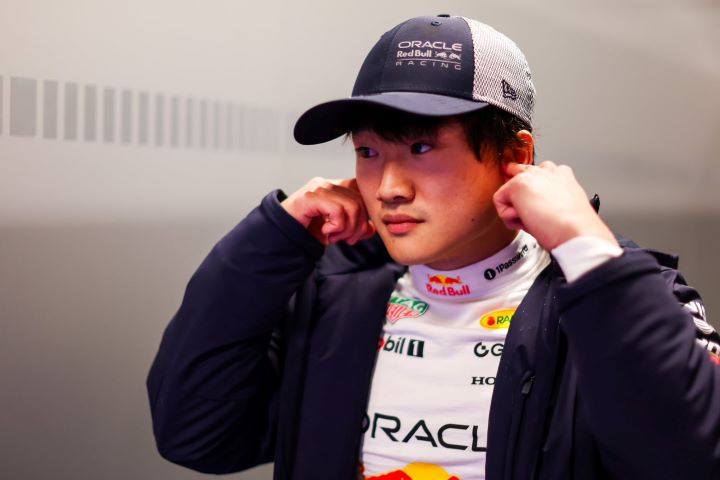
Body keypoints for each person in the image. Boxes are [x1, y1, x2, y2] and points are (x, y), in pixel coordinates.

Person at [146, 14, 720, 479]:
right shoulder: (333, 295)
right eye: (368, 152)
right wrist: (273, 239)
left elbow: (692, 460)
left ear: (514, 155)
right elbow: (196, 435)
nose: (388, 188)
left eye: (421, 148)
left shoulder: (620, 297)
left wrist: (585, 245)